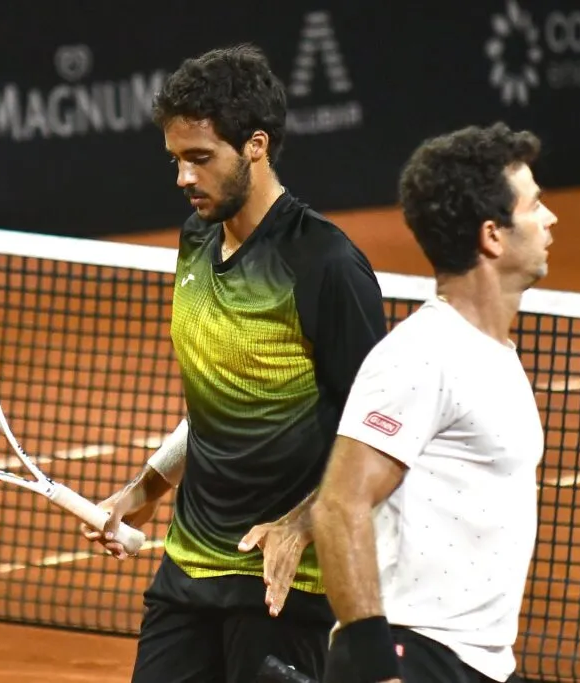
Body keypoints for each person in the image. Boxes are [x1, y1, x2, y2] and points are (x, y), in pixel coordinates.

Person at [79, 44, 388, 683]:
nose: (183, 179)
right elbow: (219, 403)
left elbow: (379, 436)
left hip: (282, 586)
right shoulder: (195, 240)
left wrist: (301, 524)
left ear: (255, 146)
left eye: (200, 158)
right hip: (187, 571)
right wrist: (147, 487)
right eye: (176, 160)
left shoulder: (325, 265)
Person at [310, 122, 558, 683]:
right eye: (535, 205)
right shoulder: (421, 355)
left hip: (480, 662)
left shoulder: (492, 355)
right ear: (492, 236)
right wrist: (374, 668)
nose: (550, 219)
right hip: (416, 654)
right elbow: (339, 505)